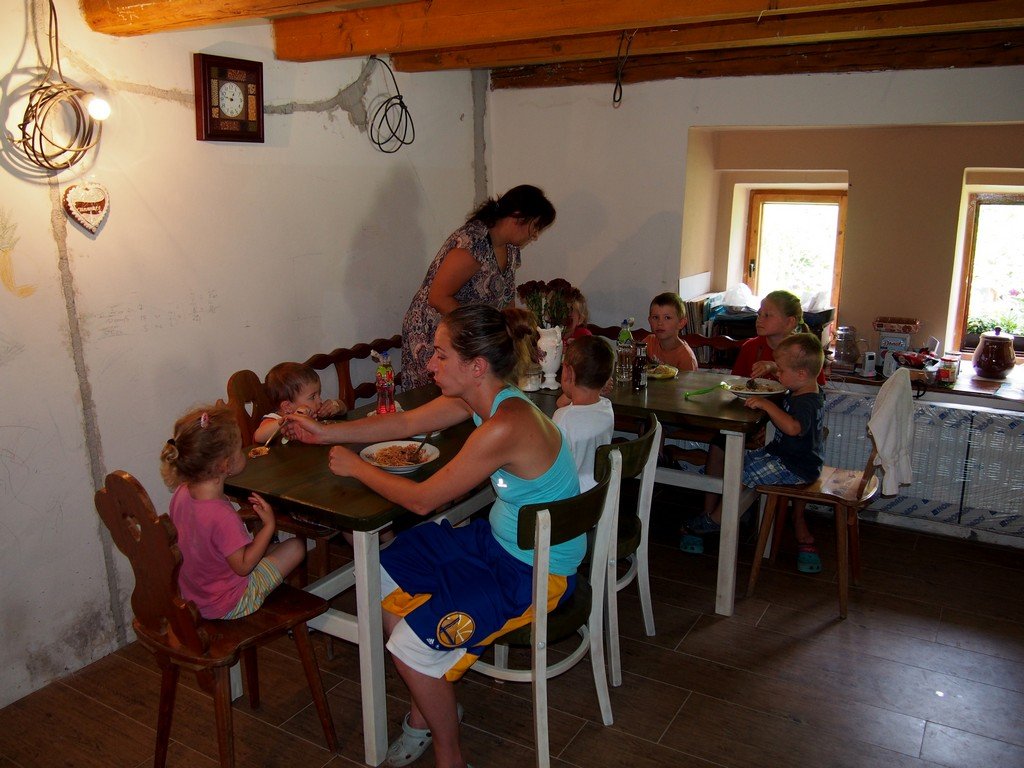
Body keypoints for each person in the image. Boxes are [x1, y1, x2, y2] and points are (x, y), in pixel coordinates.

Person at [283, 304, 580, 768]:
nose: (429, 364)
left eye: (441, 355)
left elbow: (422, 501)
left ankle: (449, 751)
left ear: (475, 366)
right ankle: (429, 701)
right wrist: (324, 433)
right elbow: (404, 423)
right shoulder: (485, 397)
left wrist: (357, 467)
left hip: (534, 571)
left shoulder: (505, 424)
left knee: (409, 644)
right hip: (497, 544)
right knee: (381, 570)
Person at [681, 334, 826, 565]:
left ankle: (715, 520)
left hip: (795, 467)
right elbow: (788, 384)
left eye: (781, 371)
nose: (777, 375)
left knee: (739, 474)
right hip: (786, 457)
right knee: (739, 463)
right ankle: (735, 508)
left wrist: (767, 405)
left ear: (801, 374)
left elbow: (793, 427)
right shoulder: (806, 389)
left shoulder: (806, 402)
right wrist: (773, 366)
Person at [401, 185, 556, 389]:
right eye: (535, 227)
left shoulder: (511, 248)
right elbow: (438, 297)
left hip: (471, 336)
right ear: (518, 217)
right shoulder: (473, 244)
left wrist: (516, 333)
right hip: (435, 334)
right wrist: (481, 331)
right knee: (441, 399)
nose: (534, 235)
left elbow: (506, 298)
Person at [159, 405, 305, 619]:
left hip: (194, 595)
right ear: (225, 465)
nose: (243, 450)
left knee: (272, 548)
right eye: (239, 448)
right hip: (229, 602)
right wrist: (269, 526)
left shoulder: (181, 493)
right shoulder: (221, 515)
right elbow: (243, 567)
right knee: (295, 547)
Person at [553, 336, 615, 491]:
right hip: (598, 491)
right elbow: (563, 403)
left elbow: (552, 467)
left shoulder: (563, 419)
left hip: (570, 496)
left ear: (568, 373)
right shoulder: (606, 408)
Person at [731, 290, 827, 386]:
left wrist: (775, 368)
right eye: (759, 314)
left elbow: (816, 389)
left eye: (767, 315)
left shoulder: (805, 351)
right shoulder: (749, 347)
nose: (759, 319)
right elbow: (735, 383)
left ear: (790, 322)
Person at [252, 362, 346, 444]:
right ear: (287, 407)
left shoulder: (315, 412)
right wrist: (287, 421)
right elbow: (258, 436)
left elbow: (344, 409)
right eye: (312, 397)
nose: (320, 400)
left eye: (319, 393)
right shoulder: (274, 419)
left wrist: (336, 405)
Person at [644, 292, 698, 372]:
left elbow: (687, 380)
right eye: (655, 317)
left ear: (681, 323)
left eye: (667, 318)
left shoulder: (686, 357)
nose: (660, 323)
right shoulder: (649, 342)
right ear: (649, 321)